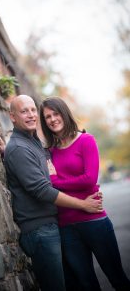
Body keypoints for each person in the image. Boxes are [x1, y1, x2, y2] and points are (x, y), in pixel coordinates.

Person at [0, 94, 103, 291]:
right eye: (24, 111)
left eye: (33, 110)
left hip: (51, 227)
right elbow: (42, 190)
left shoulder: (31, 142)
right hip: (39, 231)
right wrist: (84, 205)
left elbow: (36, 166)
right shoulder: (19, 148)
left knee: (74, 284)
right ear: (12, 117)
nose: (31, 115)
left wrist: (6, 152)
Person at [40, 96, 130, 291]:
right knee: (86, 284)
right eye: (47, 116)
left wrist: (56, 182)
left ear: (64, 113)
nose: (52, 119)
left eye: (55, 113)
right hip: (66, 227)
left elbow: (89, 179)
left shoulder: (86, 141)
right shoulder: (49, 152)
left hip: (94, 221)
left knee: (117, 277)